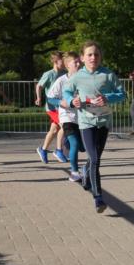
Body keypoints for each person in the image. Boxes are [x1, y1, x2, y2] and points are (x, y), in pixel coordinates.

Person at [64, 41, 125, 214]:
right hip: (86, 122)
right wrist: (71, 100)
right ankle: (98, 198)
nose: (93, 58)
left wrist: (108, 98)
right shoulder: (77, 76)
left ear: (100, 57)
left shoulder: (108, 75)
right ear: (83, 58)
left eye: (96, 54)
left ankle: (85, 172)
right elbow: (67, 93)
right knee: (96, 160)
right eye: (89, 54)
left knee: (94, 158)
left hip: (103, 123)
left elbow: (122, 94)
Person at [48, 51, 84, 182]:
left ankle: (67, 143)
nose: (79, 64)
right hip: (66, 116)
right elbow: (50, 98)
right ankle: (74, 172)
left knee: (83, 147)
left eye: (79, 61)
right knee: (75, 144)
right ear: (68, 65)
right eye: (75, 62)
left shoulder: (85, 78)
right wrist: (60, 102)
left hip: (83, 117)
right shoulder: (61, 80)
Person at [35, 51, 68, 164]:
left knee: (54, 130)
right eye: (62, 61)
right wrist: (39, 98)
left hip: (62, 107)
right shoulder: (49, 74)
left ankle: (43, 149)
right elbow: (39, 86)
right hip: (52, 107)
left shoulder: (65, 73)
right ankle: (59, 150)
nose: (64, 63)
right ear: (55, 61)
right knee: (65, 125)